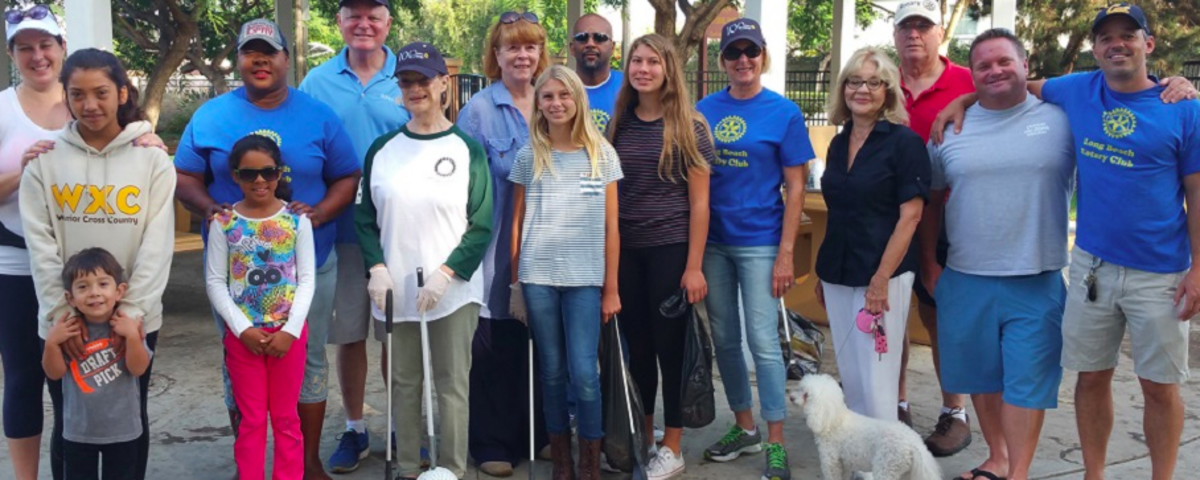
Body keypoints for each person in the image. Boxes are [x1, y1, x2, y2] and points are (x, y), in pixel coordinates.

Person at [933, 6, 1200, 480]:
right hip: (1092, 267)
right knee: (1090, 379)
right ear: (1095, 49)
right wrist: (965, 100)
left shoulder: (1181, 107)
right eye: (1106, 38)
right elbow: (1010, 85)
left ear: (1149, 44)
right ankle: (1091, 475)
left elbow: (1197, 192)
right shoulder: (1077, 91)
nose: (1117, 44)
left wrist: (1199, 268)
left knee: (1159, 386)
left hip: (1159, 270)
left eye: (1128, 35)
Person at [173, 18, 360, 480]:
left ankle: (305, 462)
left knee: (307, 358)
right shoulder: (211, 115)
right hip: (234, 272)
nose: (259, 60)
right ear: (238, 59)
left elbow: (347, 175)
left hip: (309, 263)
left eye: (269, 52)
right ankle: (250, 465)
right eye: (249, 52)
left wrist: (319, 213)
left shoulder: (317, 114)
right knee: (238, 361)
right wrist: (209, 207)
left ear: (286, 59)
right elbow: (184, 175)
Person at [0, 9, 160, 479]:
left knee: (130, 414)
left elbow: (155, 246)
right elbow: (42, 241)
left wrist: (133, 312)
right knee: (66, 414)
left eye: (101, 93)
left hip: (129, 313)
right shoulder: (43, 160)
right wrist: (60, 313)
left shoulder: (149, 158)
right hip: (53, 302)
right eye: (78, 95)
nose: (90, 104)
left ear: (121, 93)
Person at [922, 29, 1074, 480]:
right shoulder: (948, 129)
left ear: (1026, 65)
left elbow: (1116, 89)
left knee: (1028, 384)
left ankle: (1018, 472)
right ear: (972, 74)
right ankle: (998, 458)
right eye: (983, 65)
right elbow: (931, 202)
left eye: (1004, 61)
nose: (995, 70)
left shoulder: (1062, 118)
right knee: (981, 378)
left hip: (1037, 276)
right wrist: (929, 263)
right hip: (966, 275)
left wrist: (1174, 85)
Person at [356, 41, 493, 480]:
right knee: (404, 383)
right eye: (406, 82)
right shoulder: (382, 149)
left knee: (452, 385)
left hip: (452, 291)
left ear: (443, 84)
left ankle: (450, 470)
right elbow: (364, 217)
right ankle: (408, 468)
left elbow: (481, 224)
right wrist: (376, 267)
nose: (415, 89)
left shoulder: (466, 149)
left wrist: (447, 273)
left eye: (423, 80)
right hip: (395, 289)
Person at [695, 18, 813, 480]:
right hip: (713, 243)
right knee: (725, 339)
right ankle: (745, 427)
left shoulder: (784, 112)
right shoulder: (703, 109)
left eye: (751, 51)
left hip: (761, 242)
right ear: (722, 59)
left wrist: (786, 254)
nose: (743, 60)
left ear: (763, 55)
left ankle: (776, 441)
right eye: (733, 52)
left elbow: (796, 189)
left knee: (763, 343)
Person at [296, 0, 410, 471]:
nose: (364, 24)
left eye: (374, 16)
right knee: (349, 335)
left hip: (398, 234)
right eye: (354, 15)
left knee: (395, 337)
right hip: (339, 231)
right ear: (340, 22)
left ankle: (402, 431)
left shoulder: (409, 76)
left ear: (388, 23)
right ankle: (356, 428)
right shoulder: (316, 82)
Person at [607, 33, 714, 480]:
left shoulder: (689, 126)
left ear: (668, 69)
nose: (644, 69)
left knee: (671, 350)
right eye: (637, 60)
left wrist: (694, 266)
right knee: (639, 350)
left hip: (671, 250)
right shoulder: (619, 123)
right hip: (627, 251)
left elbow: (701, 203)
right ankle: (645, 437)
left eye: (653, 61)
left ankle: (673, 445)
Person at [510, 64, 622, 480]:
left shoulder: (602, 155)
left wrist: (611, 288)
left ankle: (590, 460)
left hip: (585, 280)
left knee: (585, 372)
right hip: (539, 277)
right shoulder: (530, 155)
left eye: (564, 95)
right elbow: (517, 223)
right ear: (538, 103)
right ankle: (561, 460)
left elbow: (612, 226)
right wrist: (516, 283)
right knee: (552, 371)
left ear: (578, 99)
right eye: (548, 96)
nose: (556, 103)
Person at [457, 11, 551, 477]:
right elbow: (463, 188)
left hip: (550, 244)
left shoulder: (554, 99)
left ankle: (539, 433)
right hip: (496, 248)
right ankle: (492, 440)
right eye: (512, 47)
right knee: (497, 344)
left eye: (530, 46)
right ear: (496, 55)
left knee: (542, 341)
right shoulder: (478, 111)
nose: (522, 55)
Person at [817, 46, 928, 422]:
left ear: (888, 91)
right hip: (838, 271)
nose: (862, 90)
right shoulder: (838, 143)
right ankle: (861, 450)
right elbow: (838, 211)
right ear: (843, 89)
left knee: (878, 380)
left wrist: (880, 280)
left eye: (873, 82)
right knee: (852, 376)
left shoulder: (905, 143)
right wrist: (823, 272)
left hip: (883, 276)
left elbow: (911, 217)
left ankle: (884, 451)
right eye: (854, 81)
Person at [888, 1, 973, 451]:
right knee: (890, 312)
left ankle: (954, 410)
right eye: (906, 27)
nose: (914, 34)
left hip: (950, 217)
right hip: (890, 216)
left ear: (941, 33)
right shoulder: (882, 80)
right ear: (895, 35)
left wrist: (1170, 84)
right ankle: (895, 403)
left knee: (940, 312)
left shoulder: (969, 81)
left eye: (923, 26)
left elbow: (1027, 92)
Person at [206, 135, 315, 480]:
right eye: (248, 173)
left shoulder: (296, 221)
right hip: (244, 338)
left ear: (279, 173)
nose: (259, 181)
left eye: (268, 172)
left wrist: (290, 331)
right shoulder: (224, 223)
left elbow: (307, 279)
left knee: (285, 418)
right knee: (251, 419)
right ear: (235, 175)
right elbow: (215, 282)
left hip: (288, 336)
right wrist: (243, 330)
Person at [43, 248, 152, 480]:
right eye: (83, 287)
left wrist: (133, 337)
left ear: (119, 291)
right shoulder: (68, 331)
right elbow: (54, 373)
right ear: (70, 298)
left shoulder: (128, 325)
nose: (94, 293)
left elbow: (139, 368)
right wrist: (51, 343)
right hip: (78, 432)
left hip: (123, 431)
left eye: (103, 284)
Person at [570, 13, 622, 132]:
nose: (590, 44)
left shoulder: (629, 87)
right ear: (572, 48)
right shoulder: (559, 89)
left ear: (612, 47)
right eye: (582, 37)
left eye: (600, 38)